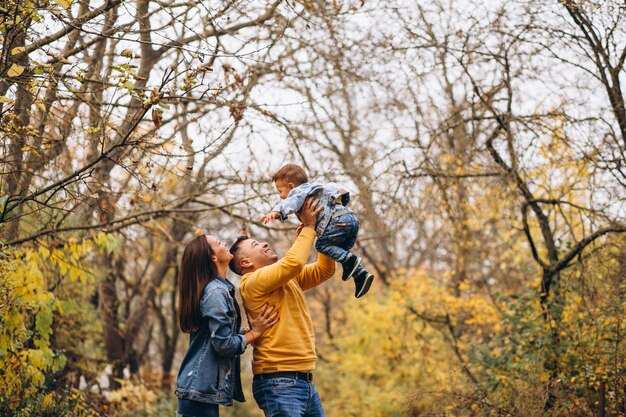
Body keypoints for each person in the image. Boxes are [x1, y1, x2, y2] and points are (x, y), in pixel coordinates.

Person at [229, 197, 334, 417]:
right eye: (256, 245)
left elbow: (325, 271)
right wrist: (308, 228)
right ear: (246, 263)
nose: (265, 243)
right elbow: (293, 263)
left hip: (304, 381)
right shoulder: (252, 282)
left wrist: (322, 235)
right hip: (279, 382)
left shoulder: (286, 279)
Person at [175, 234, 279, 417]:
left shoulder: (220, 288)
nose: (224, 243)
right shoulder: (215, 291)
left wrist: (247, 332)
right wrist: (254, 333)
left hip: (198, 389)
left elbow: (214, 335)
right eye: (218, 243)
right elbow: (223, 344)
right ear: (213, 257)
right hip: (198, 390)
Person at [261, 163, 373, 298]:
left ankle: (351, 262)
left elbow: (288, 203)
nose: (280, 196)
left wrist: (275, 212)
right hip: (350, 220)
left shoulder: (298, 193)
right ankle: (361, 275)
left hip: (338, 223)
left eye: (280, 191)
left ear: (291, 187)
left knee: (321, 245)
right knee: (338, 252)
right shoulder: (317, 189)